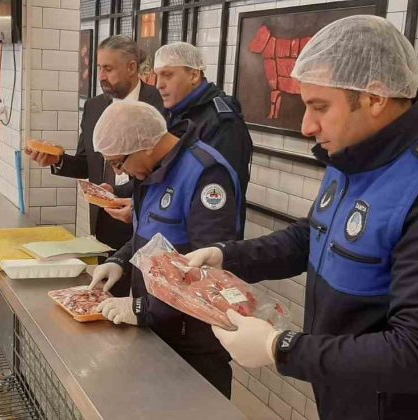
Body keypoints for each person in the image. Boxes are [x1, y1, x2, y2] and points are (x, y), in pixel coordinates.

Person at [186, 16, 418, 420]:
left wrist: (280, 348)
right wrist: (227, 256)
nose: (306, 126)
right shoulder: (355, 157)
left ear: (375, 98)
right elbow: (312, 236)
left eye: (320, 106)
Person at [88, 101, 245, 399]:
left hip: (193, 344)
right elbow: (149, 235)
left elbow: (208, 273)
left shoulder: (205, 175)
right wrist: (120, 260)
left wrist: (143, 309)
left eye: (119, 163)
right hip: (155, 330)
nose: (119, 173)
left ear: (145, 145)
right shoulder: (148, 173)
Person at [25, 35, 163, 289]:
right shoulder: (94, 107)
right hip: (106, 220)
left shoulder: (160, 104)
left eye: (108, 68)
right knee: (111, 296)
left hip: (148, 218)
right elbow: (86, 164)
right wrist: (57, 160)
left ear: (132, 67)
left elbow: (168, 164)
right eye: (99, 67)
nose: (100, 75)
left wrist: (136, 201)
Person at [154, 42, 252, 231]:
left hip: (202, 230)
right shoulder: (171, 113)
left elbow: (217, 190)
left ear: (193, 75)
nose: (159, 84)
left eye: (167, 74)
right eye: (157, 76)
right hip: (166, 219)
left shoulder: (222, 122)